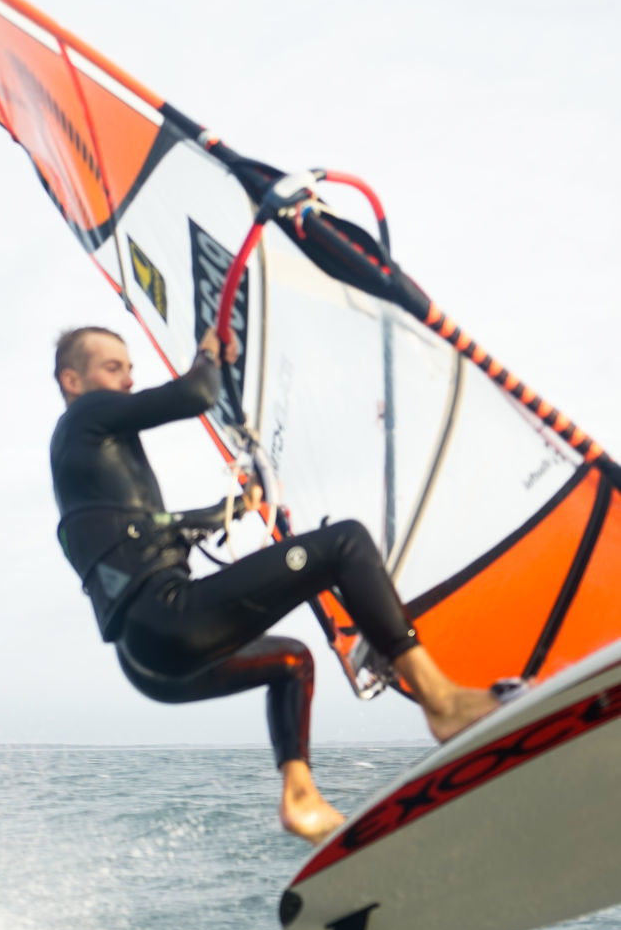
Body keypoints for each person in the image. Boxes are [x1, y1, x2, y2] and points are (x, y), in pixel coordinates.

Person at [50, 324, 507, 845]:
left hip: (149, 660)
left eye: (131, 370)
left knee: (292, 662)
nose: (130, 381)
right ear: (73, 381)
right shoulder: (83, 418)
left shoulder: (85, 459)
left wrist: (240, 507)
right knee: (346, 544)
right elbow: (196, 394)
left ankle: (300, 799)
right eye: (114, 369)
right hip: (168, 618)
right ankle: (441, 699)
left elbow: (148, 533)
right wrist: (208, 351)